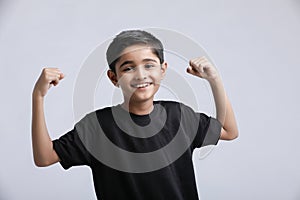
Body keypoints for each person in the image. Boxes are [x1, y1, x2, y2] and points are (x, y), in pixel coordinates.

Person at [31, 30, 238, 200]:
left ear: (163, 69)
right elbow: (44, 157)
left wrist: (214, 80)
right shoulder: (97, 126)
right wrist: (38, 96)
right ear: (114, 77)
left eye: (149, 65)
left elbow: (229, 131)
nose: (140, 74)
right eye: (128, 68)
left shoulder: (179, 115)